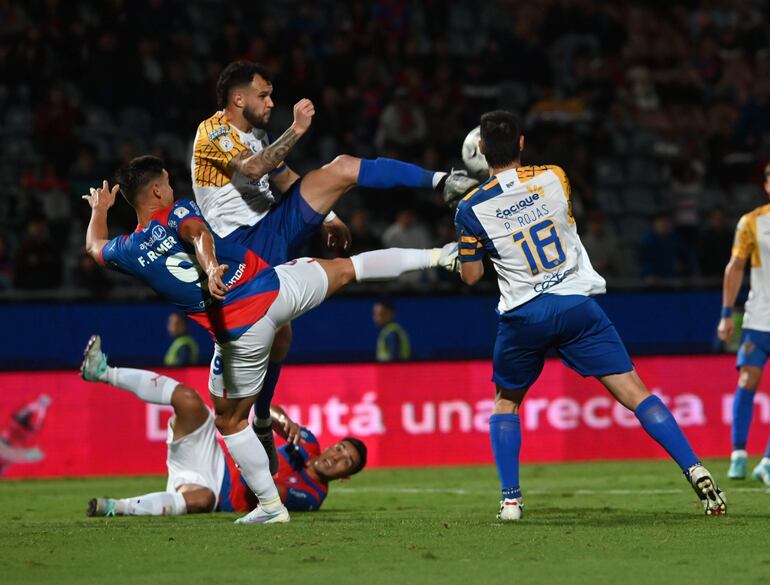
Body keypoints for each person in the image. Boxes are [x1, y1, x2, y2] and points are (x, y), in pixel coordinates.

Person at [82, 156, 457, 523]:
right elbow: (197, 233)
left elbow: (94, 247)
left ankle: (270, 505)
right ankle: (441, 256)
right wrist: (211, 266)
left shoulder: (127, 251)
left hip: (241, 329)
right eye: (168, 181)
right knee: (349, 269)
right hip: (276, 288)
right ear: (158, 189)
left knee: (229, 421)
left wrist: (100, 209)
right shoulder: (178, 211)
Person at [190, 61, 475, 470]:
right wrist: (297, 130)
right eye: (263, 95)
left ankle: (442, 182)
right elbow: (255, 168)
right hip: (238, 248)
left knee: (341, 166)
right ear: (238, 99)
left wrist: (328, 216)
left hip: (271, 229)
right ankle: (263, 420)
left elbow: (284, 177)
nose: (271, 102)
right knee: (281, 336)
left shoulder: (256, 135)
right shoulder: (212, 130)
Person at [451, 110, 726, 520]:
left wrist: (461, 228)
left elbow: (472, 275)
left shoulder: (470, 208)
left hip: (524, 315)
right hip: (575, 304)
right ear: (522, 144)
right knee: (637, 393)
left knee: (506, 403)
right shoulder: (554, 177)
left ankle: (511, 500)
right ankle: (695, 468)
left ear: (482, 150)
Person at [81, 335, 366, 516]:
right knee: (189, 400)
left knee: (201, 500)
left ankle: (116, 507)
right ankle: (104, 372)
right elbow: (267, 411)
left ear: (345, 477)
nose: (337, 457)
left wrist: (262, 463)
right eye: (341, 448)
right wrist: (281, 422)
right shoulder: (307, 444)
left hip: (218, 494)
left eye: (346, 462)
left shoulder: (313, 496)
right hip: (215, 459)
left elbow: (263, 494)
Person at [717, 163, 770, 484]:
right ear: (766, 185)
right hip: (759, 317)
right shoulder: (752, 222)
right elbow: (735, 268)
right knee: (747, 381)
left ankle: (767, 461)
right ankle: (738, 454)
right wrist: (726, 314)